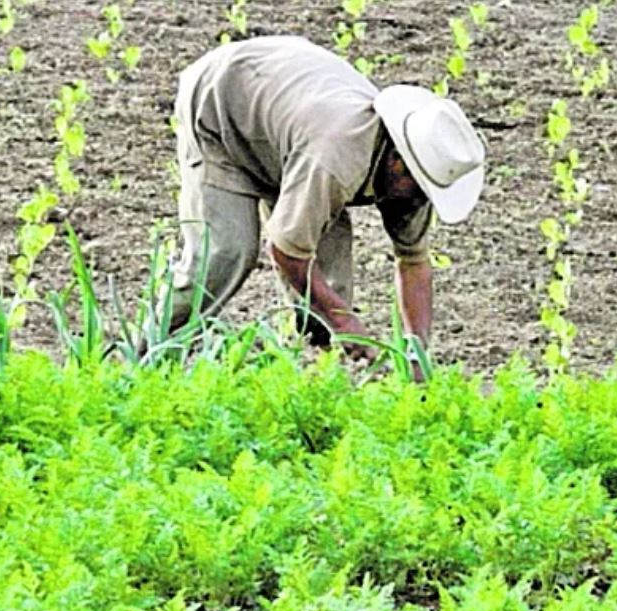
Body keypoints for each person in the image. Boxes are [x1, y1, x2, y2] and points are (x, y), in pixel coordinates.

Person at [162, 34, 485, 367]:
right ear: (397, 161)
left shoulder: (417, 178)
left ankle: (320, 369)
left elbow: (414, 263)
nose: (417, 201)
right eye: (416, 187)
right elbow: (286, 251)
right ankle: (152, 355)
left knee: (331, 282)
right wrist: (347, 324)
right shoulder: (336, 158)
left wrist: (417, 357)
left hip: (289, 125)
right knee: (226, 252)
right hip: (223, 102)